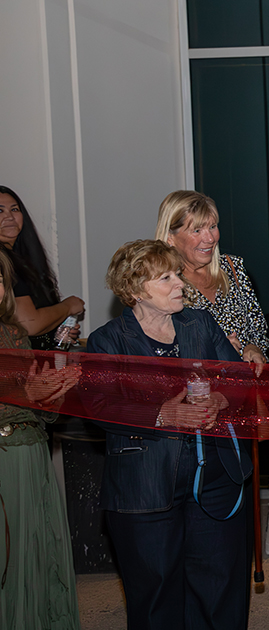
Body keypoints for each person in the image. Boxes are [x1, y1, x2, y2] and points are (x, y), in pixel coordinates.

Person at [86, 239, 252, 630]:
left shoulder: (201, 323)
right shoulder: (107, 341)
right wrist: (161, 413)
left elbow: (238, 379)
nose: (180, 283)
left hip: (213, 480)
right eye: (166, 277)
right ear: (134, 289)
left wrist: (221, 400)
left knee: (221, 590)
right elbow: (98, 407)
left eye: (178, 274)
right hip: (144, 488)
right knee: (156, 597)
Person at [0, 248, 81, 630]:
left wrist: (53, 390)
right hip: (6, 457)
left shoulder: (14, 333)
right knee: (12, 562)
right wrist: (27, 393)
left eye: (0, 279)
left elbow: (43, 411)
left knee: (41, 551)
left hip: (33, 453)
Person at [155, 191, 268, 374]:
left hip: (245, 390)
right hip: (195, 396)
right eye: (197, 230)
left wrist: (253, 348)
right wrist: (215, 353)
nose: (210, 238)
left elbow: (258, 329)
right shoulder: (163, 284)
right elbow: (160, 354)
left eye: (213, 227)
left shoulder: (233, 268)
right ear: (170, 237)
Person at [0, 186, 83, 350]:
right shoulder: (4, 262)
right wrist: (68, 307)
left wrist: (56, 329)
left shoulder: (21, 258)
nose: (9, 216)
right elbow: (30, 324)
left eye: (14, 209)